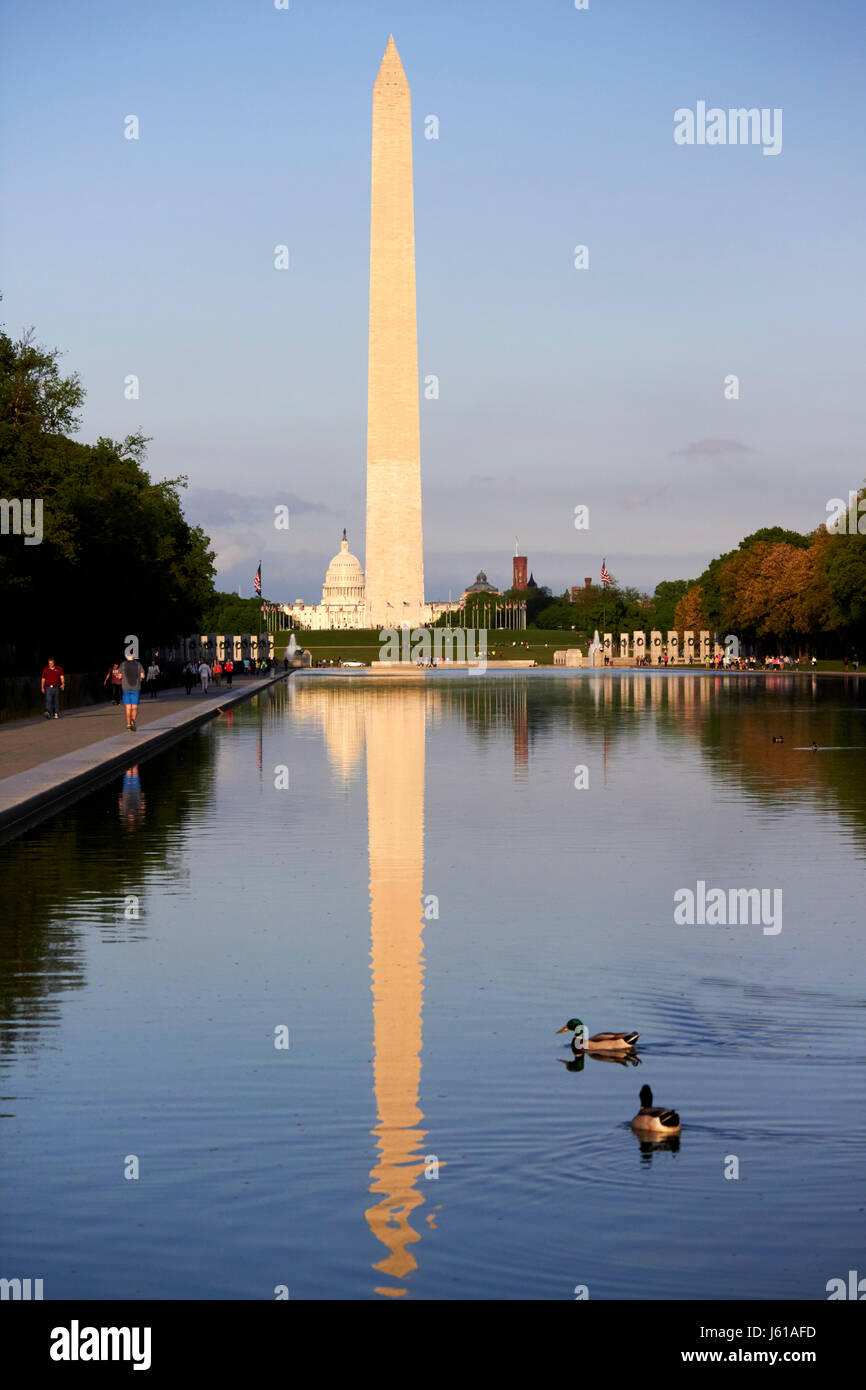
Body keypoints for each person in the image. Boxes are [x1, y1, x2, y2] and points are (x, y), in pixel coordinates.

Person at [119, 655, 145, 731]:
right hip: (136, 688)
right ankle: (133, 719)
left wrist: (119, 675)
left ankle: (128, 725)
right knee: (135, 706)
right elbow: (143, 676)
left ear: (126, 657)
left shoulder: (123, 664)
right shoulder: (138, 664)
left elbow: (120, 676)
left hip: (126, 688)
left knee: (128, 707)